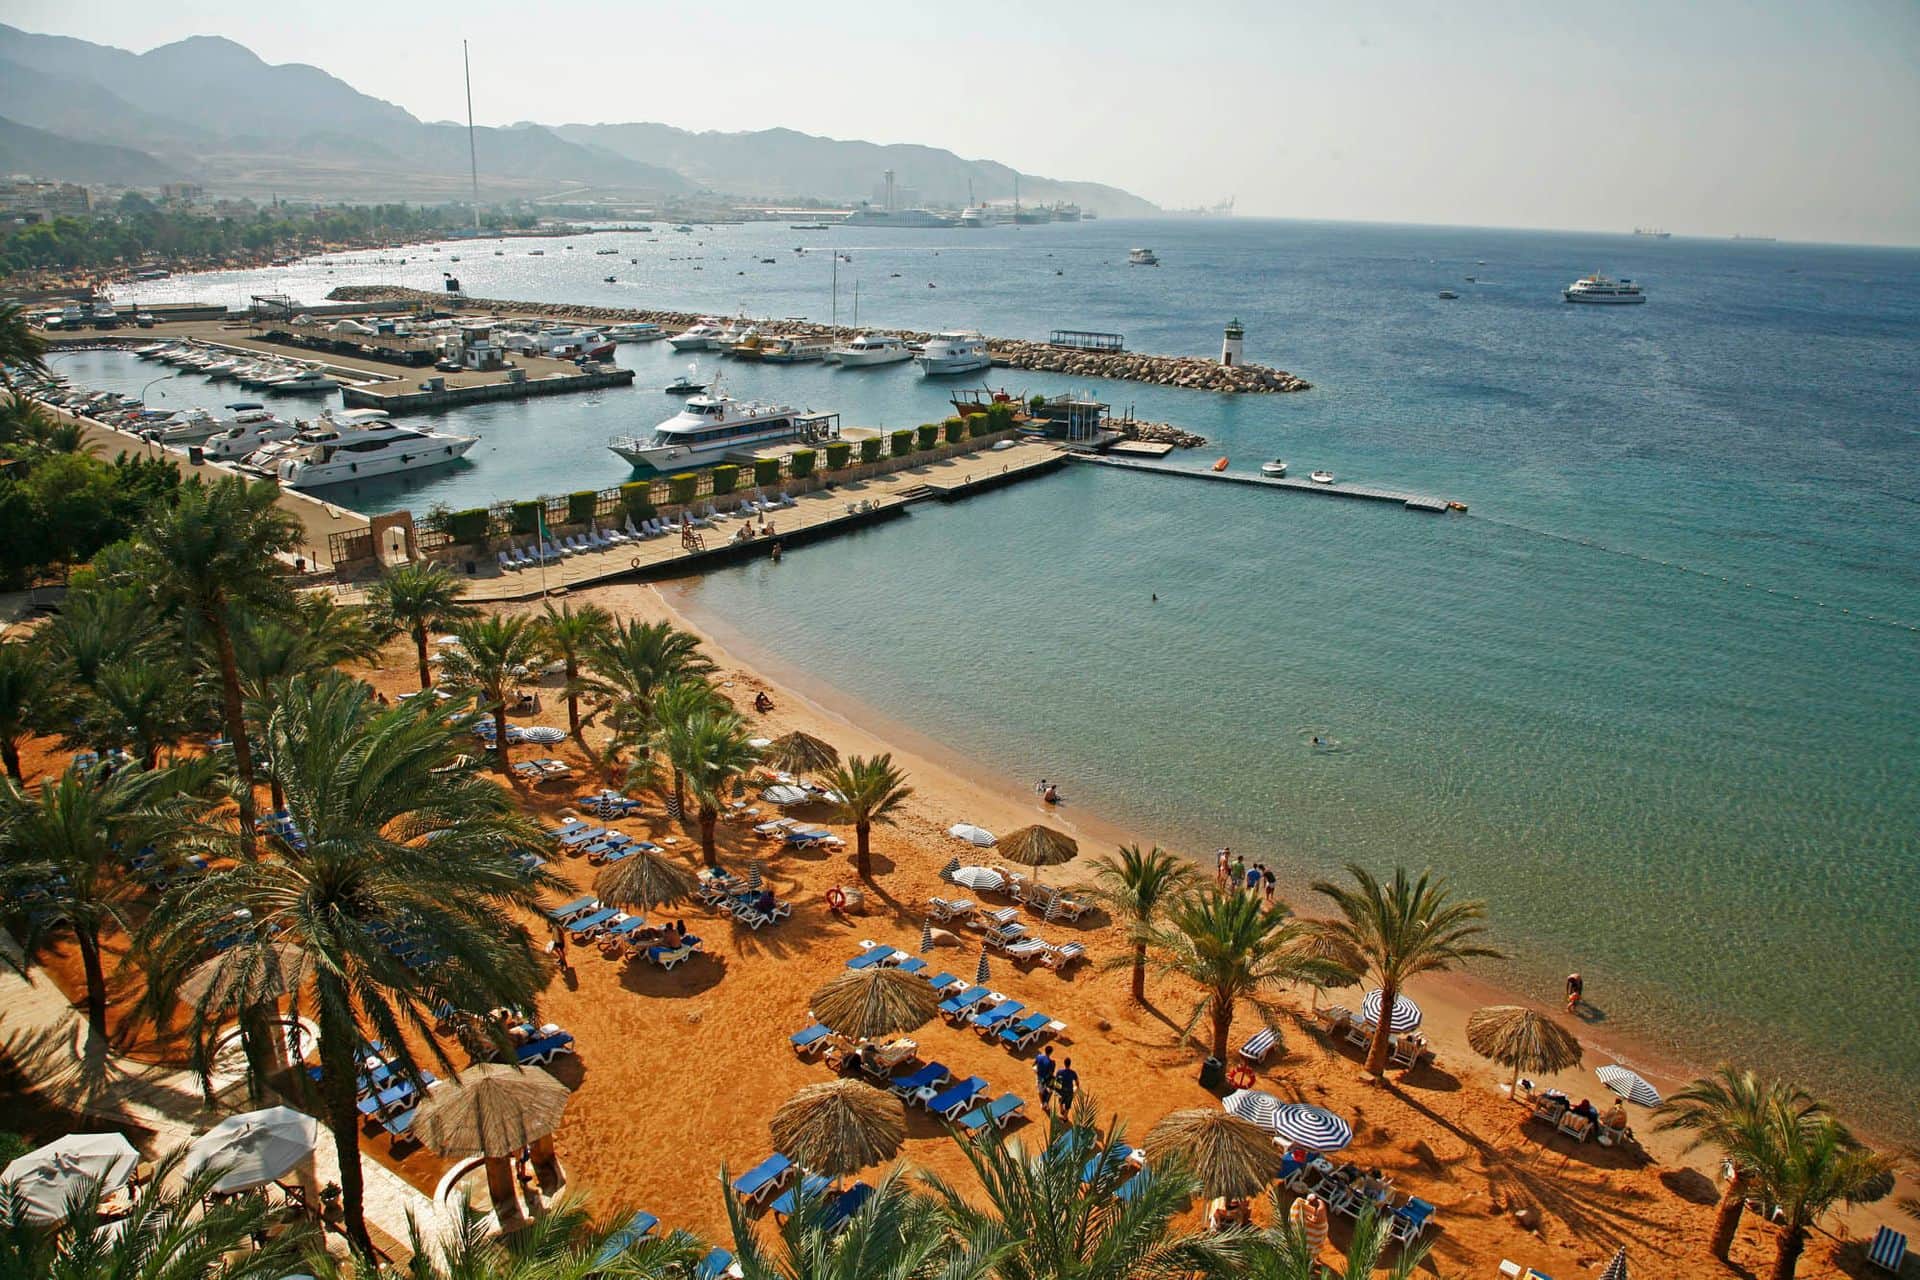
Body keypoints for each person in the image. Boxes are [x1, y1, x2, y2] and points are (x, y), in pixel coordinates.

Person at [1033, 1046, 1056, 1111]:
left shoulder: (1039, 1057)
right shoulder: (1051, 1062)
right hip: (1047, 1079)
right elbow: (1051, 1073)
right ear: (1051, 1052)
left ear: (1045, 1050)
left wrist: (1037, 1071)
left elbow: (1034, 1065)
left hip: (1039, 1077)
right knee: (1049, 1091)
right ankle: (1046, 1103)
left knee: (1040, 1091)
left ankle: (1042, 1104)